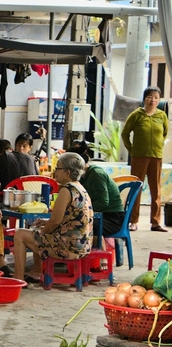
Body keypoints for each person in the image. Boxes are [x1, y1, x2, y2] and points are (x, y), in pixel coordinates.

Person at [10, 152, 93, 283]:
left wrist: (43, 231)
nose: (55, 172)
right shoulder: (81, 188)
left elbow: (55, 221)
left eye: (58, 168)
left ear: (68, 173)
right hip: (82, 246)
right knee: (37, 233)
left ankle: (18, 278)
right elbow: (66, 219)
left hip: (69, 248)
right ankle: (35, 272)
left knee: (20, 234)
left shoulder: (67, 190)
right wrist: (44, 224)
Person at [123, 86, 169, 232]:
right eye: (150, 97)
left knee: (156, 189)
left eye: (156, 97)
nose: (153, 100)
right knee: (136, 188)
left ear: (159, 100)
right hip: (139, 157)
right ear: (144, 99)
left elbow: (164, 133)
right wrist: (132, 150)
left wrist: (159, 145)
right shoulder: (136, 115)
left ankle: (156, 222)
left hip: (156, 156)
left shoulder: (162, 115)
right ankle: (133, 221)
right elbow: (125, 134)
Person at [67, 141, 125, 237]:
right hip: (98, 215)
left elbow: (103, 202)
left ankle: (96, 251)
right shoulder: (81, 177)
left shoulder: (96, 174)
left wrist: (83, 210)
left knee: (76, 226)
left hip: (112, 219)